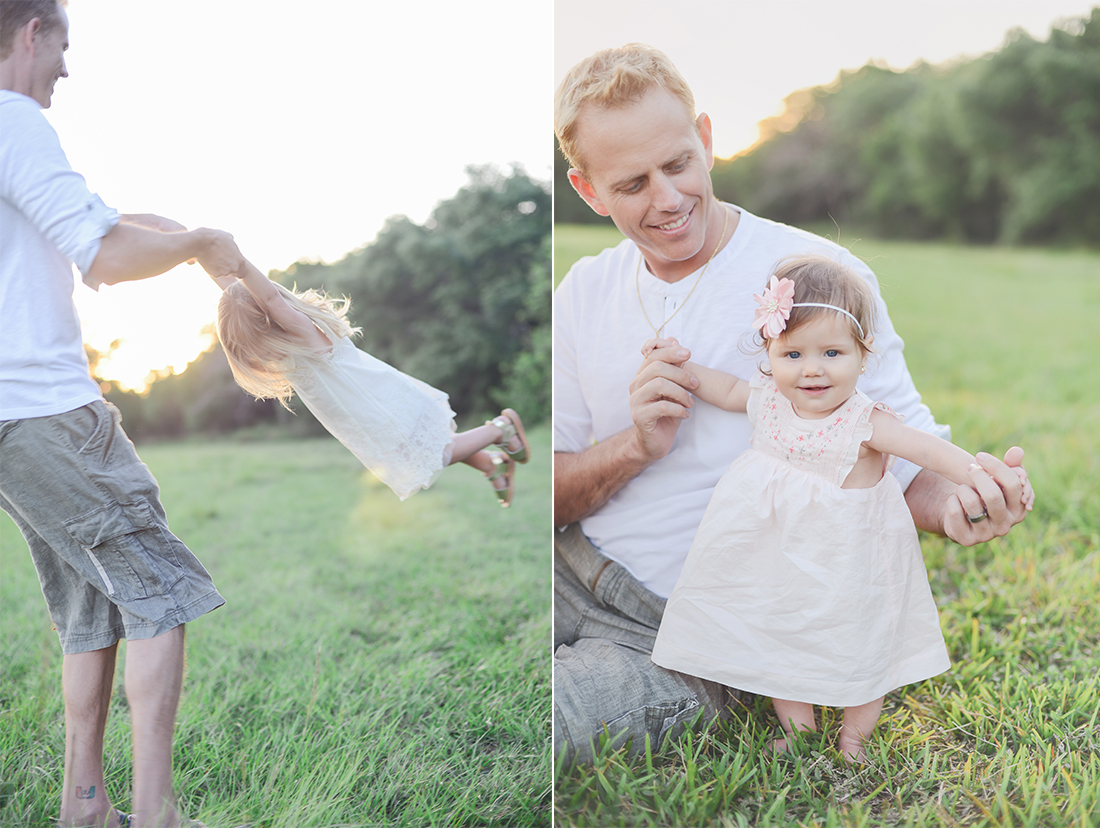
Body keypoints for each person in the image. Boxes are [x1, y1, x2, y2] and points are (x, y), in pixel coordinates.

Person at [552, 43, 1033, 764]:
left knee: (540, 724)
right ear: (588, 191)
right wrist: (636, 446)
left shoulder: (819, 279)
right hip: (563, 565)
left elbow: (899, 461)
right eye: (632, 184)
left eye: (679, 163)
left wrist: (968, 498)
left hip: (684, 630)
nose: (668, 198)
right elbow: (550, 495)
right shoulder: (583, 292)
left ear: (707, 140)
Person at [0, 3, 247, 826]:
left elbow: (87, 223)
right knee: (160, 590)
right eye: (62, 45)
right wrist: (201, 244)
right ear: (33, 31)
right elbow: (99, 253)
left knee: (89, 606)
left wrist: (165, 230)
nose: (65, 68)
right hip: (46, 412)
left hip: (10, 427)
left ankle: (86, 808)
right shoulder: (15, 118)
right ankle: (156, 813)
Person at [647, 255, 1033, 763]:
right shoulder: (766, 398)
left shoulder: (864, 421)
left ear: (862, 354)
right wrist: (679, 369)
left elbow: (929, 451)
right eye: (792, 354)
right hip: (773, 551)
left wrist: (987, 479)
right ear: (769, 352)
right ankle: (799, 726)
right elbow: (723, 388)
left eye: (832, 351)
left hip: (846, 556)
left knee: (860, 638)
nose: (811, 369)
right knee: (777, 629)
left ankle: (856, 734)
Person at [213, 260, 531, 505]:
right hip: (371, 413)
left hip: (379, 405)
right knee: (432, 445)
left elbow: (266, 297)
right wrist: (197, 249)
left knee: (437, 454)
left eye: (256, 343)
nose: (258, 354)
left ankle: (499, 429)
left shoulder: (300, 331)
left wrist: (241, 265)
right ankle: (492, 466)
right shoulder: (288, 342)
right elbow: (235, 292)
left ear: (270, 323)